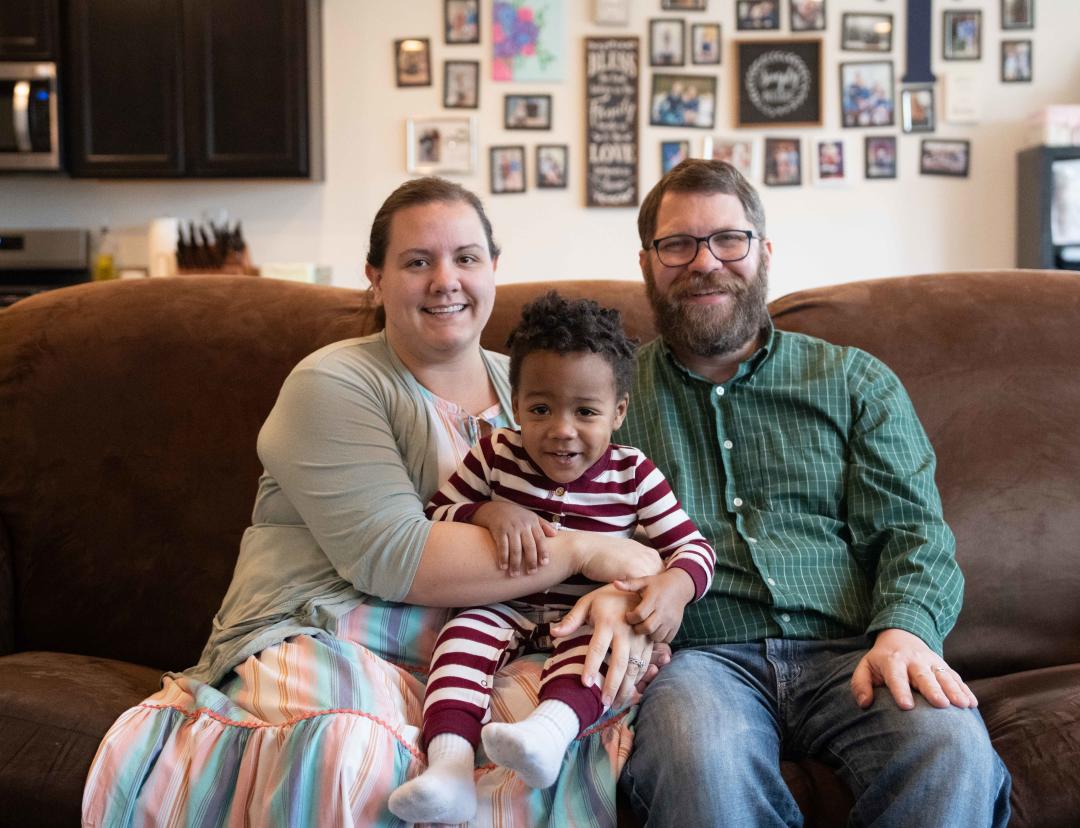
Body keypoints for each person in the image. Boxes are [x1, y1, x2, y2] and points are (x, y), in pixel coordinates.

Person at [82, 178, 661, 826]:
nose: (447, 280)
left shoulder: (539, 386)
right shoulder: (332, 382)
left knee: (562, 729)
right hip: (326, 630)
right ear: (376, 278)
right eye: (418, 262)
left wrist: (617, 593)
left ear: (493, 269)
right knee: (356, 749)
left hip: (477, 647)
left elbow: (620, 515)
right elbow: (395, 559)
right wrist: (584, 550)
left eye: (467, 258)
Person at [559, 159, 1014, 826]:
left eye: (728, 240)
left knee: (953, 757)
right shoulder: (606, 398)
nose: (703, 262)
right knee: (699, 772)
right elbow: (567, 518)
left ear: (764, 251)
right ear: (647, 262)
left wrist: (905, 632)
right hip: (700, 662)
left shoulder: (854, 381)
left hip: (855, 652)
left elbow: (913, 532)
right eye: (677, 244)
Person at [389, 292, 715, 824]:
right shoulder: (495, 455)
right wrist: (489, 512)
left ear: (618, 413)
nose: (562, 429)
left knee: (602, 650)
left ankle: (548, 733)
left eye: (585, 411)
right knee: (461, 637)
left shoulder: (633, 475)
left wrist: (675, 586)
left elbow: (693, 548)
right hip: (501, 604)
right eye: (541, 409)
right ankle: (447, 769)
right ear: (515, 406)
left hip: (582, 614)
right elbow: (434, 516)